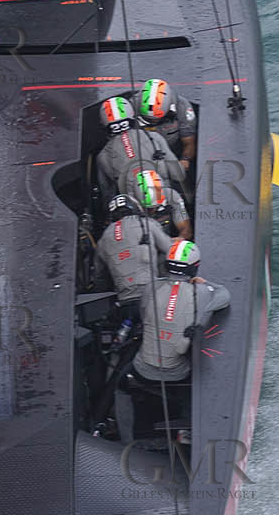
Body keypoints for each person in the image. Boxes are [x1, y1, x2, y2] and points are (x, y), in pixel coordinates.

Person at [132, 238, 231, 386]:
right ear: (194, 267)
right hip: (177, 373)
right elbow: (224, 295)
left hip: (141, 370)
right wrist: (204, 283)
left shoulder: (150, 287)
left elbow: (143, 315)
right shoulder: (201, 292)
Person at [94, 93, 189, 222]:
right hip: (166, 204)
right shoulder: (154, 137)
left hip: (134, 217)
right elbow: (178, 174)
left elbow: (107, 196)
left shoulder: (103, 157)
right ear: (132, 115)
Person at [95, 191, 171, 305]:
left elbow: (99, 276)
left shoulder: (103, 239)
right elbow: (171, 250)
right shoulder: (146, 223)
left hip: (124, 300)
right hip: (152, 296)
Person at [136, 77, 198, 169]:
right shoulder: (131, 106)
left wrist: (185, 159)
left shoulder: (182, 108)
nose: (153, 122)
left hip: (173, 151)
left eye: (157, 119)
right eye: (148, 119)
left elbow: (189, 142)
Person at [132, 164, 189, 238]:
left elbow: (186, 231)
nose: (153, 210)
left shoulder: (172, 197)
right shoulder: (130, 205)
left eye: (156, 206)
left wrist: (178, 239)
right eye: (149, 209)